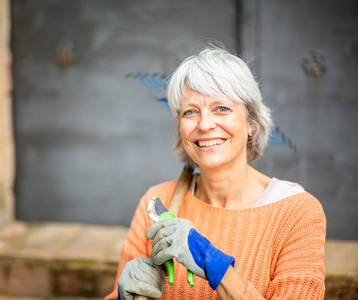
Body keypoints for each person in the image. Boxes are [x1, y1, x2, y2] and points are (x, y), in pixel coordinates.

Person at [105, 46, 326, 299]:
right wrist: (124, 297)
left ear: (251, 124)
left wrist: (213, 263)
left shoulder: (297, 213)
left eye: (222, 108)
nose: (205, 124)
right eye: (191, 112)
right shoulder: (156, 203)